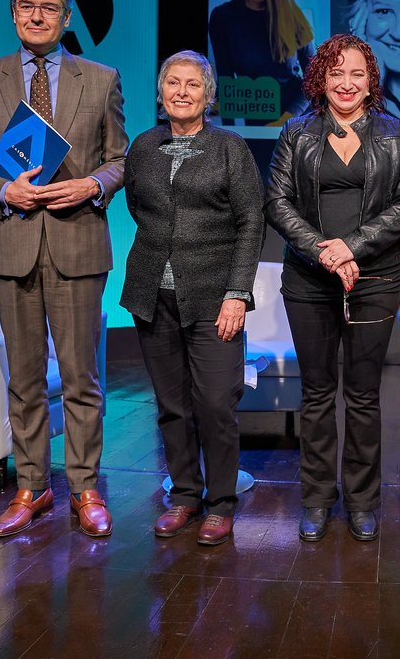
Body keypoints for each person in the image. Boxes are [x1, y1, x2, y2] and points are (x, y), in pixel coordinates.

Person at [0, 0, 128, 538]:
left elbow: (121, 159)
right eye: (26, 6)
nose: (36, 15)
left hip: (78, 241)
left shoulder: (100, 79)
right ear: (12, 11)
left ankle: (85, 487)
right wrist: (4, 189)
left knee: (81, 378)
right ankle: (32, 486)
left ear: (66, 17)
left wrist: (91, 185)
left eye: (48, 8)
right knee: (24, 379)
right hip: (12, 242)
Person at [264, 33, 400, 542]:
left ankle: (361, 500)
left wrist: (350, 247)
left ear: (370, 79)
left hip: (374, 280)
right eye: (337, 73)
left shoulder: (397, 134)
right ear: (322, 78)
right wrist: (322, 250)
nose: (347, 83)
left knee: (361, 396)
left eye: (357, 73)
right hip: (309, 281)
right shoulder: (296, 132)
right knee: (316, 394)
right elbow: (277, 202)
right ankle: (316, 497)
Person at [120, 51, 265, 546]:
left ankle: (220, 504)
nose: (182, 92)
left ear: (209, 95)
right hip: (150, 294)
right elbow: (137, 206)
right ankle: (184, 496)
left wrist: (237, 294)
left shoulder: (230, 148)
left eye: (193, 85)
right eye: (173, 84)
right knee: (171, 404)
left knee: (215, 404)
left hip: (214, 298)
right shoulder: (142, 147)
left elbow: (252, 223)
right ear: (161, 94)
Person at [208, 0, 315, 126]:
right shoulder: (222, 17)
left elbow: (314, 81)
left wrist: (286, 120)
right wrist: (228, 135)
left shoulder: (294, 17)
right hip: (253, 122)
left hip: (294, 121)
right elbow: (226, 81)